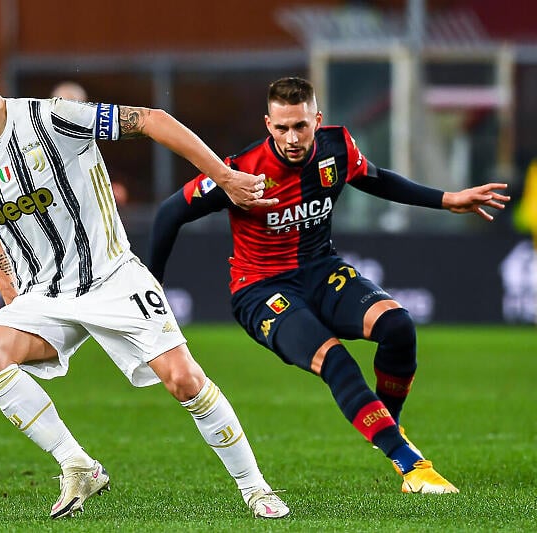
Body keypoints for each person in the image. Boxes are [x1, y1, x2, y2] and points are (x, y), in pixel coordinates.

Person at [0, 42, 288, 519]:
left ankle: (255, 488)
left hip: (112, 277)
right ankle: (78, 466)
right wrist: (13, 300)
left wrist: (224, 177)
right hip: (45, 295)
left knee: (184, 381)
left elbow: (152, 119)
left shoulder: (54, 117)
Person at [148, 76, 510, 495]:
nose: (292, 138)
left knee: (399, 328)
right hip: (261, 290)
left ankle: (389, 430)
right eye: (282, 128)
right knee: (335, 361)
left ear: (317, 120)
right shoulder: (240, 171)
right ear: (268, 125)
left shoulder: (337, 148)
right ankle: (411, 466)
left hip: (321, 270)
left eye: (300, 126)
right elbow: (169, 213)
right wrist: (153, 287)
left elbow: (376, 178)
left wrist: (447, 199)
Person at [0, 79, 128, 368]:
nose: (73, 109)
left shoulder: (84, 139)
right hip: (23, 244)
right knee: (5, 299)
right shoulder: (35, 135)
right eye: (66, 102)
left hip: (68, 253)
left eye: (78, 104)